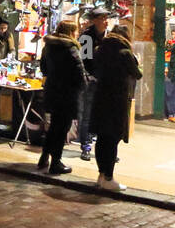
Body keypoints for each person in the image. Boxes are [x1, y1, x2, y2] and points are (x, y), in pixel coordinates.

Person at [91, 24, 142, 191]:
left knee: (102, 138)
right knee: (113, 138)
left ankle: (101, 175)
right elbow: (137, 74)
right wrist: (137, 61)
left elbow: (94, 69)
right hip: (117, 100)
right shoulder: (125, 53)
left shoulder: (100, 50)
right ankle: (109, 177)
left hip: (100, 97)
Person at [38, 20, 85, 174]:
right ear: (71, 32)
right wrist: (84, 85)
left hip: (52, 91)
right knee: (62, 128)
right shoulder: (70, 48)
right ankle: (55, 162)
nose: (77, 34)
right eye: (76, 31)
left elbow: (43, 68)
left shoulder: (49, 47)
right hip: (67, 94)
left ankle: (44, 157)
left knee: (53, 127)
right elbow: (79, 72)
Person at [78, 10, 109, 160]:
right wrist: (89, 77)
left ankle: (103, 149)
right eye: (103, 18)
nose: (106, 21)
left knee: (101, 115)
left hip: (104, 82)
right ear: (95, 20)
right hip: (90, 82)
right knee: (87, 115)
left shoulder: (108, 36)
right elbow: (83, 61)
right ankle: (85, 146)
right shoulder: (87, 37)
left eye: (106, 18)